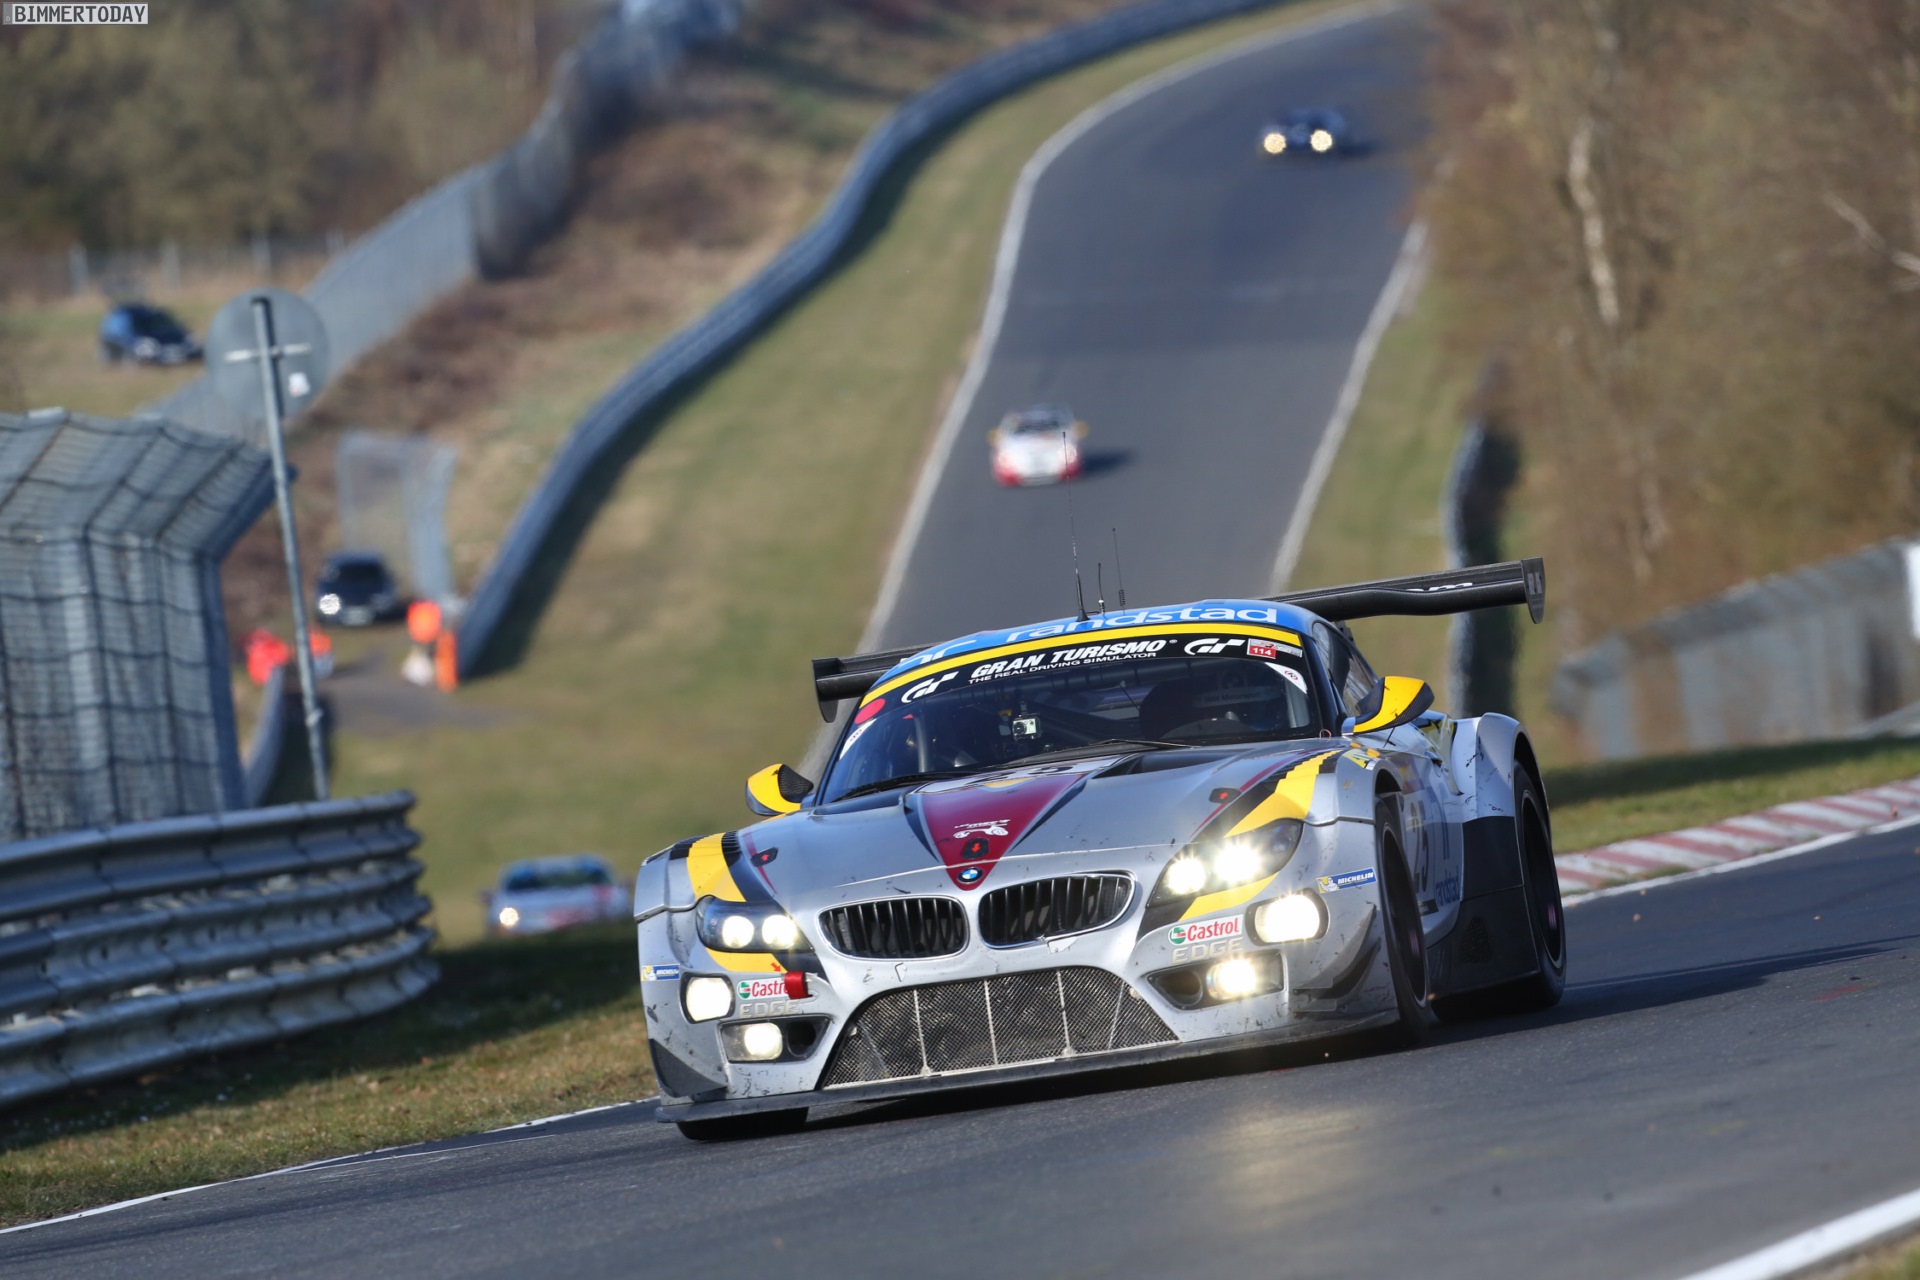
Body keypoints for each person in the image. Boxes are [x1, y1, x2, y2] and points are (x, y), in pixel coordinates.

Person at [403, 598, 441, 687]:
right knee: (424, 656)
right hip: (428, 635)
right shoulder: (431, 607)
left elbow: (411, 621)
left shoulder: (416, 607)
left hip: (420, 635)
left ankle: (419, 674)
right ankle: (422, 675)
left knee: (421, 656)